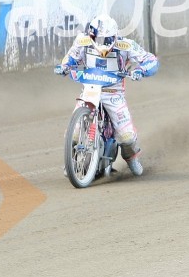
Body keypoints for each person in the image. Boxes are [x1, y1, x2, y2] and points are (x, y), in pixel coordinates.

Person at [55, 14, 159, 176]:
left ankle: (131, 157)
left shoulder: (126, 45)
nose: (104, 44)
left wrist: (141, 70)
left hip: (113, 93)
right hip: (90, 89)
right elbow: (70, 58)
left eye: (108, 39)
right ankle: (73, 160)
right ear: (92, 35)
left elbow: (151, 60)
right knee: (74, 132)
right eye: (100, 39)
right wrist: (65, 66)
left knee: (126, 137)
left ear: (115, 36)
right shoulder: (82, 41)